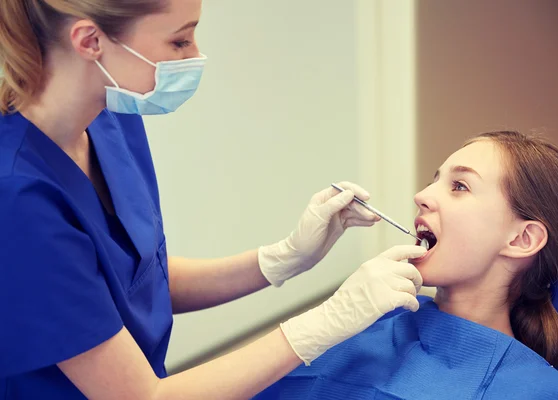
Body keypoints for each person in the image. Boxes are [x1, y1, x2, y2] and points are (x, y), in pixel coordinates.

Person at [0, 1, 429, 399]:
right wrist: (324, 322)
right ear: (91, 41)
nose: (194, 56)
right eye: (180, 40)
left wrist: (282, 259)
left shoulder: (110, 120)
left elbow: (136, 278)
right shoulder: (18, 196)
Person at [254, 131, 558, 400]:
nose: (421, 195)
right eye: (435, 179)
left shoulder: (542, 393)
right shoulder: (359, 325)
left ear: (522, 240)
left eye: (459, 186)